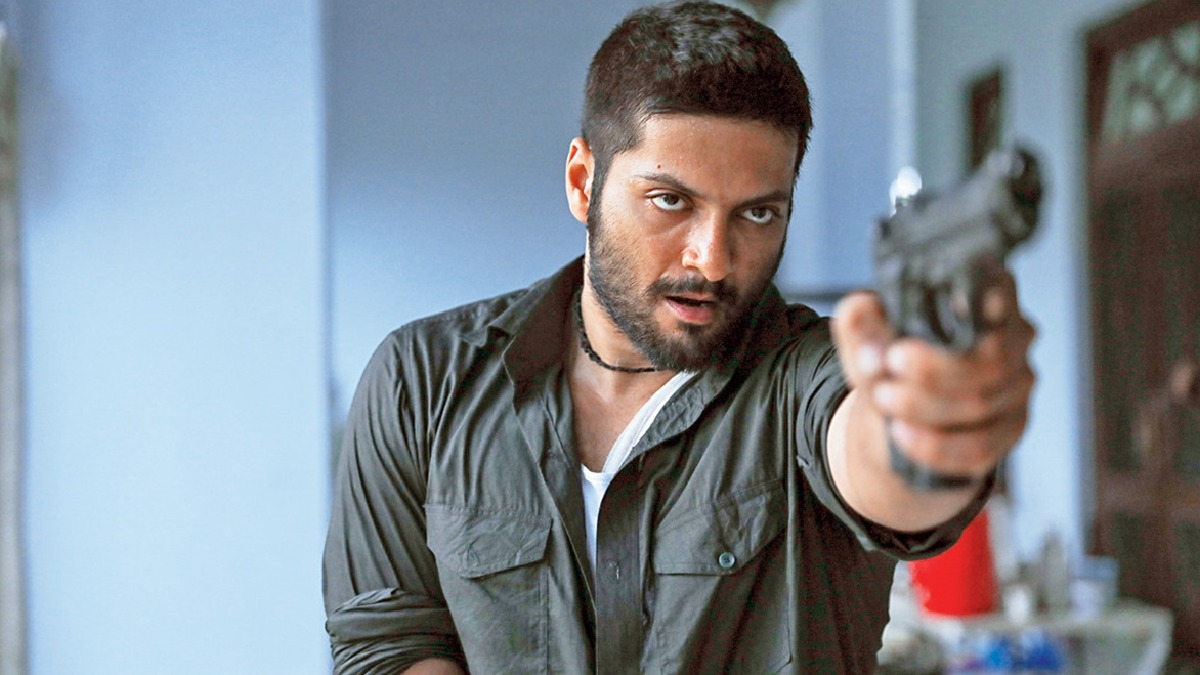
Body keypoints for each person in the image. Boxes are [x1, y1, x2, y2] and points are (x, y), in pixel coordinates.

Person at [322, 2, 1036, 673]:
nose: (713, 260)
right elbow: (389, 640)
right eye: (671, 200)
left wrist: (925, 433)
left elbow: (870, 452)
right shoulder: (422, 381)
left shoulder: (804, 373)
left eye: (758, 214)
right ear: (583, 182)